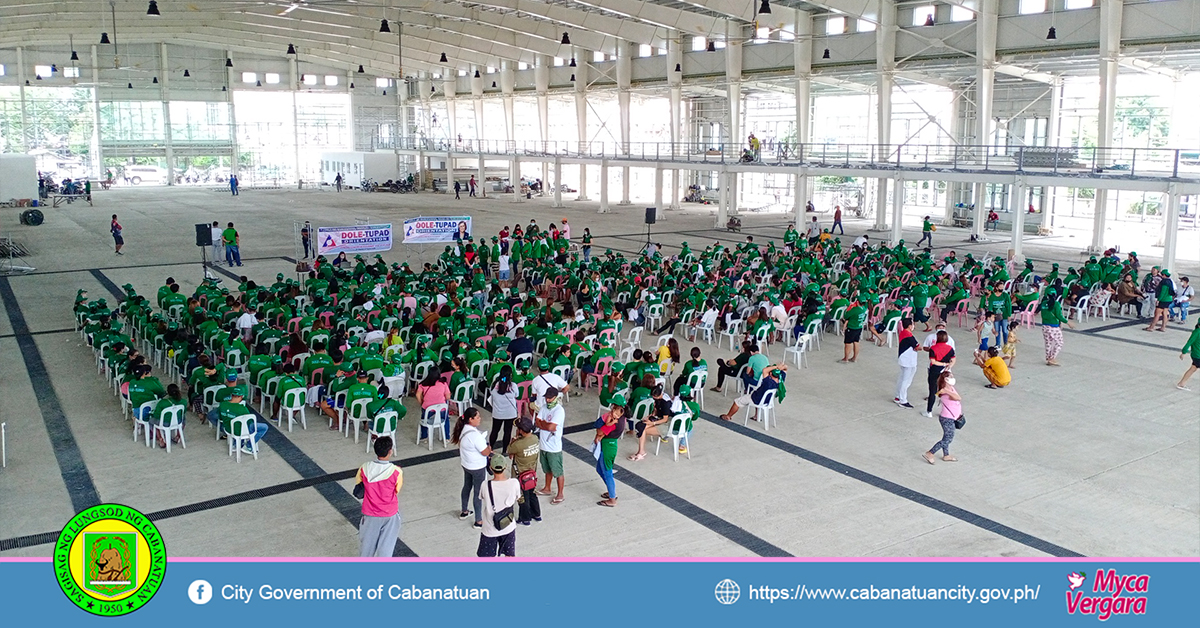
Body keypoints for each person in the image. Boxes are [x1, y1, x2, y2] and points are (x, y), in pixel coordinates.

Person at [353, 436, 403, 557]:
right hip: (389, 514)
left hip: (370, 514)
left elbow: (358, 484)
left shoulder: (364, 468)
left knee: (366, 548)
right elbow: (397, 490)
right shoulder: (396, 471)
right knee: (386, 548)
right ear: (390, 451)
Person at [451, 408, 491, 529]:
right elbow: (485, 452)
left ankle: (464, 511)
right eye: (477, 417)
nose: (480, 419)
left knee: (467, 486)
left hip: (466, 464)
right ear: (470, 419)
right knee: (478, 493)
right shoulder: (475, 436)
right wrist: (488, 446)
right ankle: (478, 520)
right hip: (478, 467)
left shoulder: (463, 431)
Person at [477, 453, 520, 557]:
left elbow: (481, 497)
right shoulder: (514, 483)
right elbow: (517, 497)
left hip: (490, 528)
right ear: (505, 467)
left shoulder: (485, 485)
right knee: (509, 555)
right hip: (508, 525)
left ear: (491, 468)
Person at [506, 417, 542, 524]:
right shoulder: (535, 438)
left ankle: (525, 518)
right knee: (532, 493)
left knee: (522, 497)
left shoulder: (518, 444)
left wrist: (513, 440)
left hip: (520, 475)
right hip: (532, 473)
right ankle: (537, 514)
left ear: (521, 430)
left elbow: (510, 455)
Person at [718, 366, 785, 422]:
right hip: (767, 401)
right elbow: (785, 368)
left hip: (756, 399)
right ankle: (756, 416)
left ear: (770, 373)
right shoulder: (780, 381)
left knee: (737, 401)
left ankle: (728, 416)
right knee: (755, 392)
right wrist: (781, 367)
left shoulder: (768, 381)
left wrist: (776, 366)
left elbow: (764, 370)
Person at [534, 387, 565, 505]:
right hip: (543, 445)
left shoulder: (559, 410)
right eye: (546, 397)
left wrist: (544, 424)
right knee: (547, 469)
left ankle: (560, 493)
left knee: (557, 471)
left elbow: (552, 427)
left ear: (555, 398)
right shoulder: (543, 407)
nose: (547, 400)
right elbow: (537, 421)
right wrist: (546, 425)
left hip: (554, 447)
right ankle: (547, 488)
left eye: (550, 398)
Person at [922, 371, 961, 464]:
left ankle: (946, 455)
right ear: (946, 379)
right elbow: (958, 398)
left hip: (952, 417)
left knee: (946, 436)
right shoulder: (945, 392)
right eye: (951, 377)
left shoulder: (950, 388)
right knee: (948, 439)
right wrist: (946, 391)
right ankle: (930, 453)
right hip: (947, 418)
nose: (953, 378)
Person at [594, 397, 625, 507]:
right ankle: (611, 491)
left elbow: (600, 431)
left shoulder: (614, 422)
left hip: (607, 447)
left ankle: (612, 498)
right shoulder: (621, 419)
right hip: (611, 445)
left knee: (607, 473)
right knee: (600, 469)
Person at [922, 330, 956, 417]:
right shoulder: (950, 348)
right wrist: (948, 365)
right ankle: (945, 411)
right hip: (946, 371)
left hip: (934, 370)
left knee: (932, 391)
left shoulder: (933, 348)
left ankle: (929, 411)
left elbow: (933, 362)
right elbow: (953, 360)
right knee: (945, 391)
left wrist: (942, 364)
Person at [1040, 290, 1074, 366]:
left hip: (1044, 326)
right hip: (1053, 327)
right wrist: (1067, 322)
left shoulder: (1043, 303)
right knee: (1059, 342)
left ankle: (1048, 358)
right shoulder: (1056, 304)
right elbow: (1059, 316)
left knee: (1048, 343)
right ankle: (1052, 358)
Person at [416, 370, 451, 441]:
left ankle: (424, 436)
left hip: (428, 408)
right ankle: (447, 437)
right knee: (446, 419)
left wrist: (422, 403)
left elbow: (417, 395)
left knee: (424, 419)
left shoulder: (422, 384)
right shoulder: (443, 383)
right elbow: (448, 396)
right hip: (441, 408)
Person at [488, 365, 519, 448]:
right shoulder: (513, 386)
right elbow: (517, 395)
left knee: (495, 431)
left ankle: (491, 448)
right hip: (510, 413)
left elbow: (491, 394)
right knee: (507, 432)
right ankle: (505, 450)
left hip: (497, 413)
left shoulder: (494, 385)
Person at [894, 318, 919, 408]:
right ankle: (902, 400)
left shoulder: (903, 333)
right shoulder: (908, 335)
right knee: (906, 380)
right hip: (908, 361)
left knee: (902, 378)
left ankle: (898, 396)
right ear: (909, 325)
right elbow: (917, 346)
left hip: (904, 359)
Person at [840, 299, 867, 364]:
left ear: (857, 302)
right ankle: (854, 358)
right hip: (859, 327)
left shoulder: (854, 310)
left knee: (848, 343)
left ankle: (846, 358)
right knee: (856, 342)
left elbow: (846, 316)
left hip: (852, 327)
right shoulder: (863, 309)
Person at [1178, 319, 1200, 391]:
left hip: (1197, 354)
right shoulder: (1197, 332)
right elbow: (1189, 342)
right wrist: (1184, 352)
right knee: (1193, 368)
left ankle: (1181, 383)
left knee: (1193, 368)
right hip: (1197, 355)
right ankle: (1181, 383)